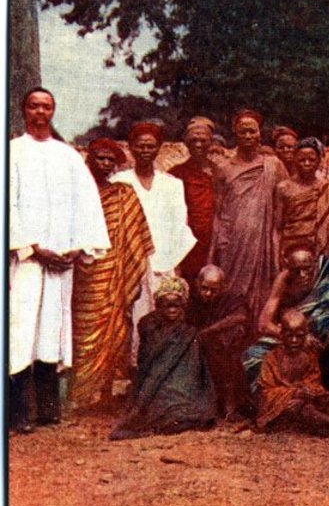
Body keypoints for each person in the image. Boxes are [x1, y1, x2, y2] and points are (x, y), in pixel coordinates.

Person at [10, 88, 111, 433]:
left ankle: (48, 410)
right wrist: (33, 248)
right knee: (21, 329)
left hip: (60, 261)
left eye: (47, 106)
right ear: (24, 111)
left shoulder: (67, 156)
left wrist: (77, 247)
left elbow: (86, 202)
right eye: (34, 106)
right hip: (26, 259)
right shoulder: (12, 152)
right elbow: (7, 205)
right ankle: (17, 413)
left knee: (51, 330)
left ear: (53, 111)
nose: (40, 112)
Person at [71, 138, 155, 410]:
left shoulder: (123, 193)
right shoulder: (77, 193)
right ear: (90, 160)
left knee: (115, 329)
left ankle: (105, 395)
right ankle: (81, 395)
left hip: (116, 272)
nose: (105, 164)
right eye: (100, 158)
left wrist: (130, 269)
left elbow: (137, 236)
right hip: (82, 273)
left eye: (110, 160)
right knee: (82, 331)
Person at [111, 121, 198, 357]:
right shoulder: (119, 182)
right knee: (135, 318)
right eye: (140, 146)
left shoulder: (172, 184)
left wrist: (174, 264)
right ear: (131, 148)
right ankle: (135, 371)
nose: (145, 151)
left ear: (158, 148)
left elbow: (180, 225)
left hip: (164, 261)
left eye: (151, 146)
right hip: (130, 263)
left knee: (165, 318)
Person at [109, 277, 217, 440]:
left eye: (177, 306)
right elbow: (148, 362)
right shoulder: (149, 325)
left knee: (185, 409)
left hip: (181, 385)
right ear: (159, 306)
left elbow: (194, 368)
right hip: (156, 383)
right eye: (168, 306)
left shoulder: (189, 331)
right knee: (159, 407)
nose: (172, 310)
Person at [209, 109, 289, 322]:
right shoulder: (223, 168)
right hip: (233, 244)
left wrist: (279, 241)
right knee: (231, 296)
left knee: (262, 297)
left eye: (252, 131)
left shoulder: (273, 166)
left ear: (259, 133)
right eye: (243, 131)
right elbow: (218, 211)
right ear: (235, 133)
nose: (248, 136)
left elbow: (284, 206)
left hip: (263, 245)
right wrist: (218, 245)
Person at [244, 247, 329, 393]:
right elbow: (263, 324)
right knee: (253, 355)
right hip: (289, 333)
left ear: (314, 263)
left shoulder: (327, 269)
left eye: (307, 268)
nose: (302, 274)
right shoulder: (283, 280)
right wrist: (296, 335)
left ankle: (326, 391)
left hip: (319, 331)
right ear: (287, 266)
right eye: (296, 270)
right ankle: (277, 399)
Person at [255, 310, 329, 439]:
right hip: (281, 408)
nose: (294, 340)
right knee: (301, 408)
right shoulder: (271, 359)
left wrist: (308, 392)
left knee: (325, 403)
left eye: (299, 336)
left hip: (305, 402)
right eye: (289, 335)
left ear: (306, 335)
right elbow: (265, 391)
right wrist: (293, 393)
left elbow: (314, 382)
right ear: (281, 333)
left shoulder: (309, 357)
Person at [273, 137, 329, 265]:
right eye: (302, 160)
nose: (307, 163)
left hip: (325, 253)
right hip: (292, 251)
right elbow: (277, 227)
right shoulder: (283, 188)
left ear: (319, 161)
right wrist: (277, 255)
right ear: (294, 160)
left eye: (311, 160)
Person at [188, 264, 252, 421]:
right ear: (198, 284)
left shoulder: (231, 299)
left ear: (222, 287)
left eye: (213, 290)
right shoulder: (192, 300)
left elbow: (240, 317)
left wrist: (209, 331)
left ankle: (230, 407)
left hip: (222, 349)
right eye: (204, 288)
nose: (208, 293)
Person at [169, 116, 218, 283]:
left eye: (203, 140)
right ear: (186, 142)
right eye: (194, 140)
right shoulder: (175, 174)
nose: (198, 144)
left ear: (211, 142)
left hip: (214, 242)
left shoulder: (220, 172)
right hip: (186, 244)